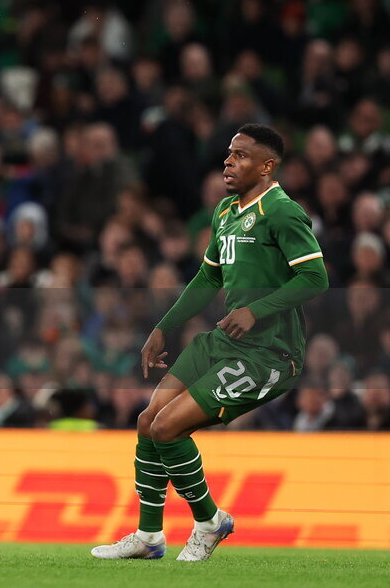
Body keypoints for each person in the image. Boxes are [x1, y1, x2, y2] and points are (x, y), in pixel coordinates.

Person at [92, 124, 328, 562]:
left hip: (269, 354)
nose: (228, 161)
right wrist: (163, 326)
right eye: (228, 154)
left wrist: (256, 310)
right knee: (148, 421)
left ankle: (209, 521)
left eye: (240, 156)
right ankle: (148, 536)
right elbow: (208, 277)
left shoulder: (283, 212)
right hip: (222, 341)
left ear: (267, 166)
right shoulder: (225, 212)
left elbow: (316, 278)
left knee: (167, 428)